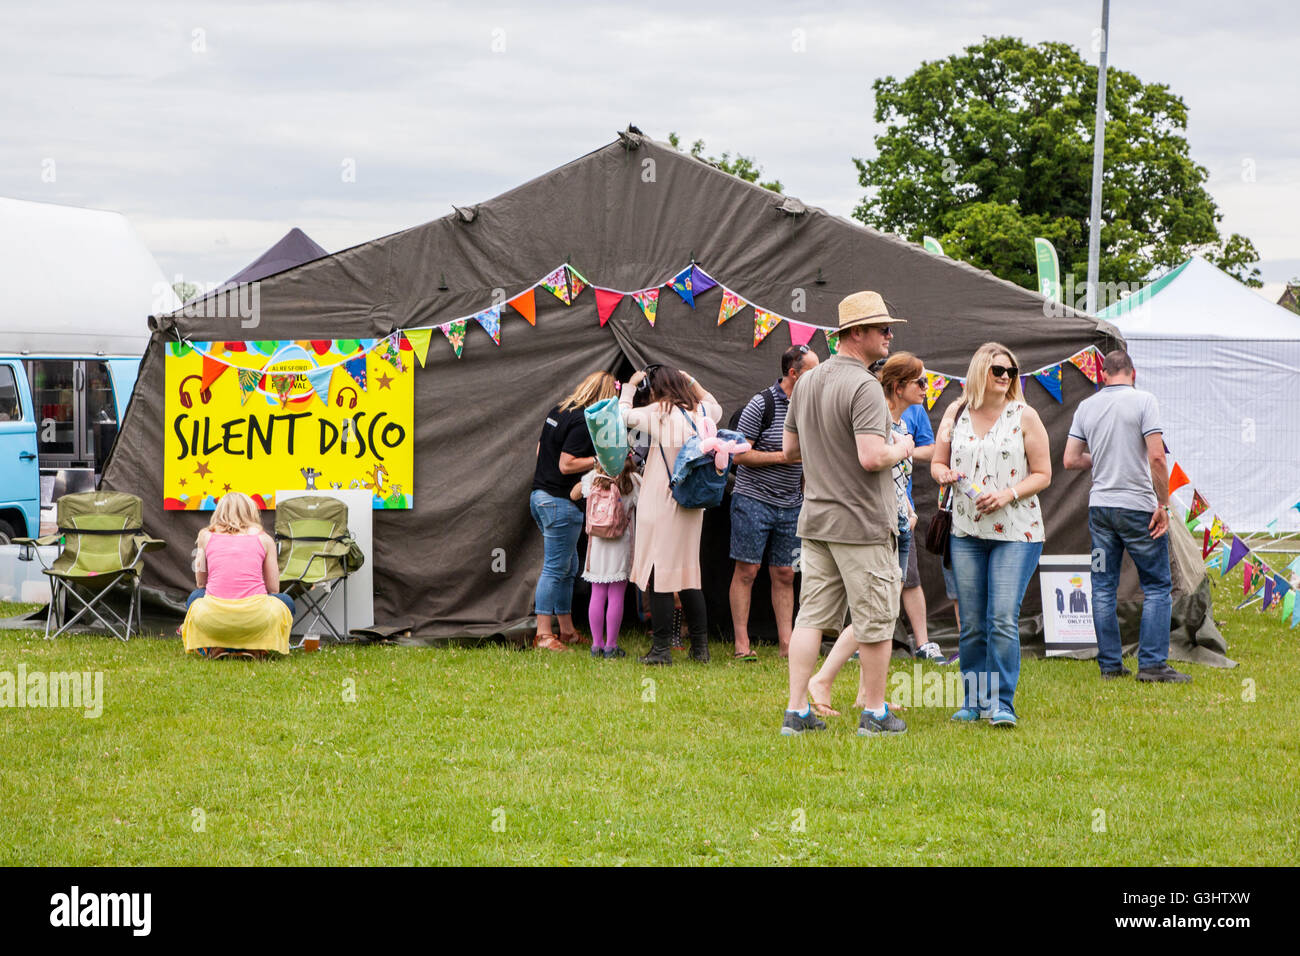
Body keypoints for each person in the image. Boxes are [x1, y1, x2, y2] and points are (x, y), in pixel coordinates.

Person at [781, 291, 912, 736]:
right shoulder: (864, 386)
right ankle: (874, 714)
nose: (889, 335)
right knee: (876, 619)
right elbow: (873, 457)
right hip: (860, 523)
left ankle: (797, 712)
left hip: (816, 520)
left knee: (810, 618)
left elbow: (790, 450)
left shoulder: (807, 382)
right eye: (882, 328)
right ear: (857, 334)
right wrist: (904, 446)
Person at [931, 342, 1052, 727]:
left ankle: (1002, 704)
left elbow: (1043, 474)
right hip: (966, 530)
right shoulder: (956, 411)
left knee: (1001, 617)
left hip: (1017, 531)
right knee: (972, 622)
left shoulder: (1025, 416)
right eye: (998, 370)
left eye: (1011, 372)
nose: (1005, 378)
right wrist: (943, 475)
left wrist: (1007, 494)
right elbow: (936, 461)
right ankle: (973, 700)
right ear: (980, 371)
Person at [1063, 349, 1188, 683]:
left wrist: (1103, 458)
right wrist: (1162, 506)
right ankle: (1151, 665)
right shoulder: (1145, 400)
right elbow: (1157, 457)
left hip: (1101, 511)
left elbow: (1070, 459)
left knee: (1102, 586)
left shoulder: (1086, 407)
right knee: (1157, 585)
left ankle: (1110, 667)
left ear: (1103, 375)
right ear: (1133, 374)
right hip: (1138, 509)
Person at [620, 364, 722, 665]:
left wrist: (629, 386)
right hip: (691, 505)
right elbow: (715, 402)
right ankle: (700, 649)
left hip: (661, 501)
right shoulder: (703, 412)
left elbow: (623, 414)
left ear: (655, 389)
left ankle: (661, 650)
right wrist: (692, 380)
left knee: (659, 573)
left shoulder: (660, 413)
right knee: (689, 573)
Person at [728, 344, 820, 660]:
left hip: (792, 504)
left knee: (785, 574)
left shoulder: (813, 406)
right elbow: (738, 455)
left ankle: (787, 646)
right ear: (793, 373)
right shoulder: (762, 403)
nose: (819, 376)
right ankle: (742, 645)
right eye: (812, 371)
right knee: (747, 571)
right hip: (753, 500)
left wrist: (808, 496)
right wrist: (783, 457)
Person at [530, 371, 615, 652]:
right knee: (556, 568)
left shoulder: (559, 410)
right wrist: (601, 459)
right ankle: (543, 634)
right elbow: (567, 464)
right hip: (559, 502)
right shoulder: (582, 421)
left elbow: (541, 449)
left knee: (568, 568)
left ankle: (566, 630)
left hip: (540, 496)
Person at [182, 492, 295, 660]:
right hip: (256, 619)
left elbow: (200, 582)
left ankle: (219, 646)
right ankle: (256, 647)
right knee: (286, 601)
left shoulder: (205, 537)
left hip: (213, 619)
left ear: (218, 511)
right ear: (251, 512)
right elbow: (273, 588)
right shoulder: (265, 539)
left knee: (195, 597)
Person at [572, 455, 641, 660]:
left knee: (598, 593)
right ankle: (611, 646)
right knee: (616, 594)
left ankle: (596, 645)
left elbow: (574, 494)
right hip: (621, 541)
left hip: (598, 544)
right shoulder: (634, 479)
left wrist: (595, 471)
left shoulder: (595, 476)